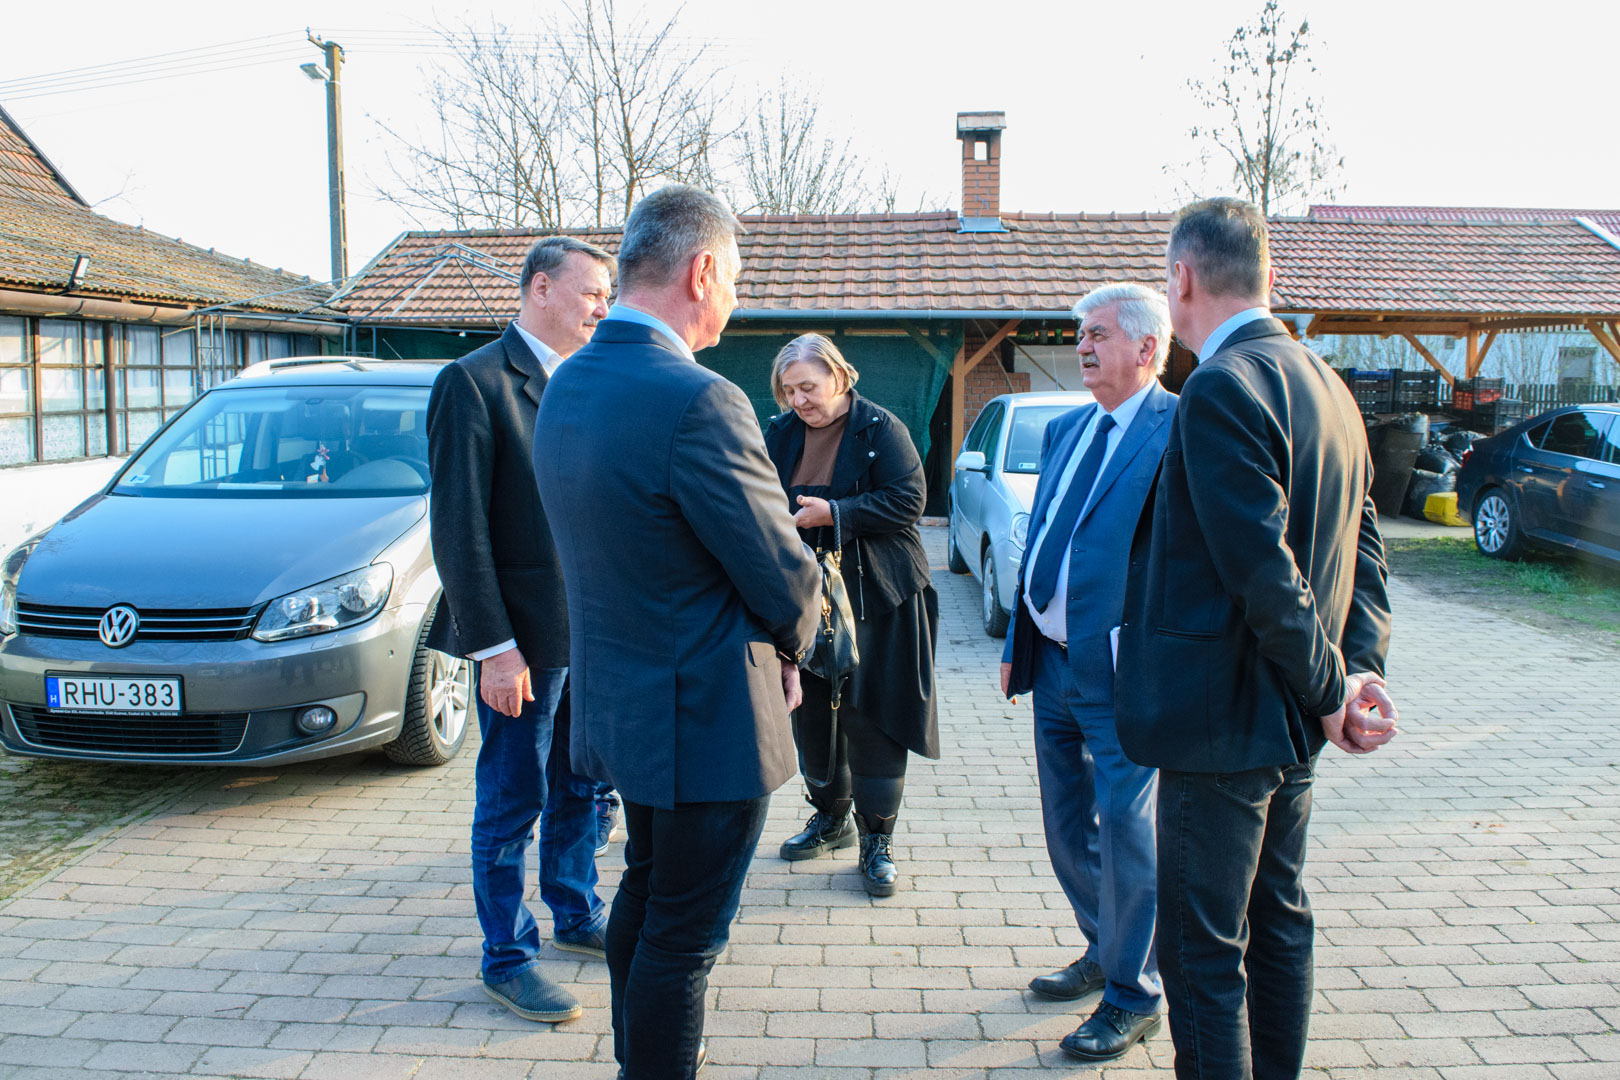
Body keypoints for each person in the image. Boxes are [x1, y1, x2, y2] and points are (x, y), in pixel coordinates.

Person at [532, 185, 820, 1080]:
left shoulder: (568, 382)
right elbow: (780, 571)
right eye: (732, 278)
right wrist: (802, 639)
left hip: (625, 706)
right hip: (704, 716)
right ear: (701, 272)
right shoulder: (698, 399)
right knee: (684, 937)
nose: (733, 299)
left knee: (648, 893)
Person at [1115, 197, 1399, 1079]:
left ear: (1181, 279)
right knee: (1278, 922)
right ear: (1270, 277)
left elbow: (1263, 573)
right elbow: (1367, 551)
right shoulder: (1330, 386)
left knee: (1202, 951)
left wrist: (1334, 690)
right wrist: (1357, 675)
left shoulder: (1221, 386)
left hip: (1222, 727)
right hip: (1294, 721)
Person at [425, 235, 616, 1025]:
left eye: (607, 296)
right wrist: (495, 649)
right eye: (592, 292)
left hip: (590, 634)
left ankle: (576, 910)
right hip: (522, 645)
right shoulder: (473, 383)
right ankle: (507, 957)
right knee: (512, 800)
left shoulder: (589, 380)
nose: (603, 308)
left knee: (582, 784)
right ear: (541, 288)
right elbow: (458, 531)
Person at [997, 284, 1176, 1061]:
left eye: (1099, 333)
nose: (1083, 346)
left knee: (1128, 833)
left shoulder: (1178, 429)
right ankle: (1106, 947)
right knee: (1065, 826)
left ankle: (1135, 993)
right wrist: (1016, 640)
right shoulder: (1068, 427)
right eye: (1080, 333)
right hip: (1052, 662)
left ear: (1147, 348)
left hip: (1123, 674)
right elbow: (1044, 536)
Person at [763, 334, 940, 897]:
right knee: (812, 714)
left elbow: (909, 500)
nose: (799, 401)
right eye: (789, 390)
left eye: (808, 387)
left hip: (878, 595)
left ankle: (877, 840)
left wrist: (835, 513)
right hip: (805, 597)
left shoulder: (881, 428)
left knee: (873, 716)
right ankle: (830, 819)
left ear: (839, 377)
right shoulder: (780, 433)